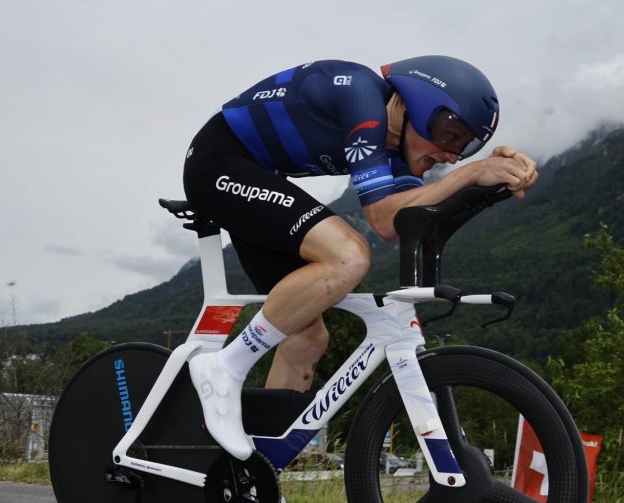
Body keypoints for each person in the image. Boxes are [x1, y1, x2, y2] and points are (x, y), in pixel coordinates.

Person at [181, 56, 538, 460]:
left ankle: (257, 470)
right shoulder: (360, 95)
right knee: (349, 256)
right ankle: (224, 368)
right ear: (414, 106)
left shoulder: (398, 152)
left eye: (466, 146)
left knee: (305, 336)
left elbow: (406, 217)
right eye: (450, 135)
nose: (452, 155)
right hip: (219, 162)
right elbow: (383, 219)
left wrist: (497, 183)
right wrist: (471, 173)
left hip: (260, 176)